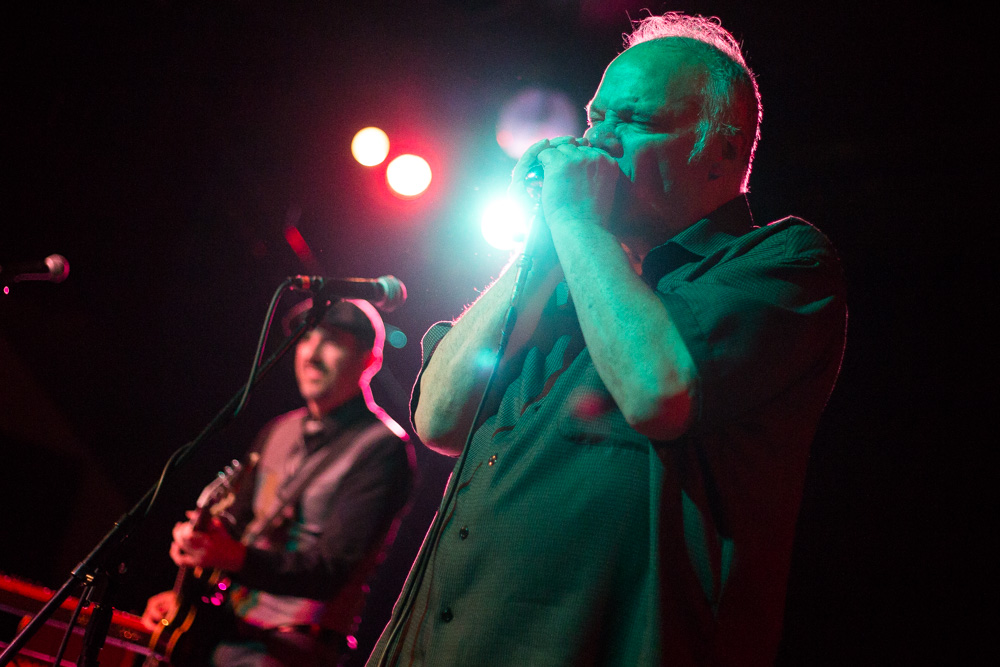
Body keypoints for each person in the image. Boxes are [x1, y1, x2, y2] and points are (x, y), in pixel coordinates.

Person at [368, 11, 846, 667]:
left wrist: (574, 221)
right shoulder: (561, 278)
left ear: (722, 150)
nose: (597, 143)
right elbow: (439, 417)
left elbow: (658, 392)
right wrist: (543, 241)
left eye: (636, 122)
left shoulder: (782, 264)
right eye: (595, 119)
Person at [142, 299, 415, 667]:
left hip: (291, 650)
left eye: (332, 340)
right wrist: (200, 544)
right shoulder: (278, 430)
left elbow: (331, 570)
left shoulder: (383, 448)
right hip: (225, 628)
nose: (312, 353)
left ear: (370, 360)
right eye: (306, 337)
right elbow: (237, 524)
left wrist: (233, 556)